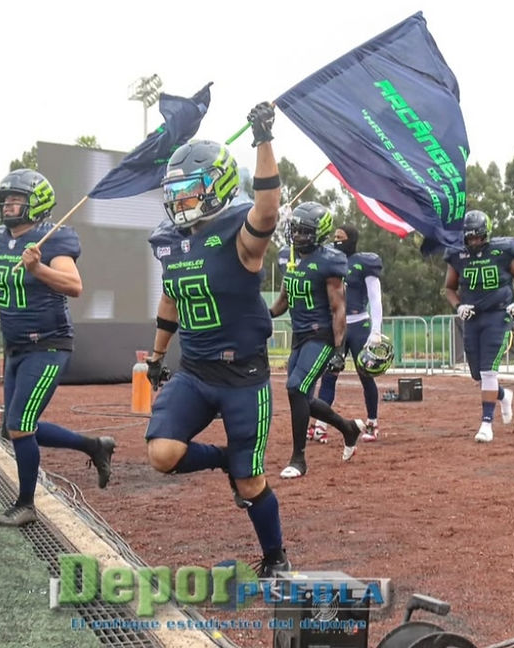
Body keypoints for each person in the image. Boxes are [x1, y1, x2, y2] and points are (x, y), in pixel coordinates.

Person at [142, 102, 290, 577]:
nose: (182, 200)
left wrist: (263, 138)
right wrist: (157, 356)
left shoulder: (239, 233)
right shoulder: (169, 239)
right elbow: (171, 297)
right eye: (177, 191)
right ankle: (226, 459)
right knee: (162, 453)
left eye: (192, 189)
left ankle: (275, 556)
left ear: (219, 186)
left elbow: (267, 209)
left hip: (243, 376)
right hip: (196, 371)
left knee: (250, 484)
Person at [0, 168, 115, 527]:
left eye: (15, 200)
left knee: (20, 424)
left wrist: (38, 269)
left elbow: (74, 285)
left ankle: (26, 505)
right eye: (5, 200)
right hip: (17, 347)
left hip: (48, 345)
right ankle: (94, 446)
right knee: (16, 426)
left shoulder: (53, 238)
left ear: (35, 204)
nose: (8, 206)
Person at [269, 204, 365, 479]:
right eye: (295, 229)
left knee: (296, 387)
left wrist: (339, 349)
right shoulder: (290, 257)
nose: (297, 235)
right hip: (299, 337)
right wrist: (263, 315)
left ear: (319, 233)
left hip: (321, 335)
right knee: (301, 396)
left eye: (304, 231)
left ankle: (298, 459)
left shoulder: (329, 261)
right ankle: (348, 428)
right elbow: (284, 300)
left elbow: (338, 308)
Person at [444, 210, 514, 443]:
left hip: (498, 315)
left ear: (486, 234)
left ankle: (486, 424)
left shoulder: (503, 250)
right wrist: (458, 306)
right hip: (472, 318)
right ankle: (503, 395)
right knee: (478, 374)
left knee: (488, 371)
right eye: (470, 237)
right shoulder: (457, 254)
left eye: (478, 237)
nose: (474, 241)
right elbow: (449, 287)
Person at [310, 224, 385, 443]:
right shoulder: (331, 261)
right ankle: (321, 425)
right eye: (334, 236)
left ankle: (372, 422)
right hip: (337, 326)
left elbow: (375, 297)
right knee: (329, 375)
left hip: (359, 324)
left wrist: (376, 330)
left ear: (351, 239)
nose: (336, 240)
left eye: (340, 237)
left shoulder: (363, 262)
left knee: (366, 376)